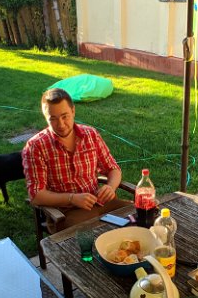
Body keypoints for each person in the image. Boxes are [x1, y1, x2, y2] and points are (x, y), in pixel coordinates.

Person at [22, 88, 130, 231]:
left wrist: (110, 187)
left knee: (140, 217)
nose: (61, 124)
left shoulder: (90, 135)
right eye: (53, 119)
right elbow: (36, 195)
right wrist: (72, 198)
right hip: (67, 214)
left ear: (73, 111)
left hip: (102, 203)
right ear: (45, 116)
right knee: (94, 240)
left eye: (64, 116)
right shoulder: (36, 146)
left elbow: (113, 168)